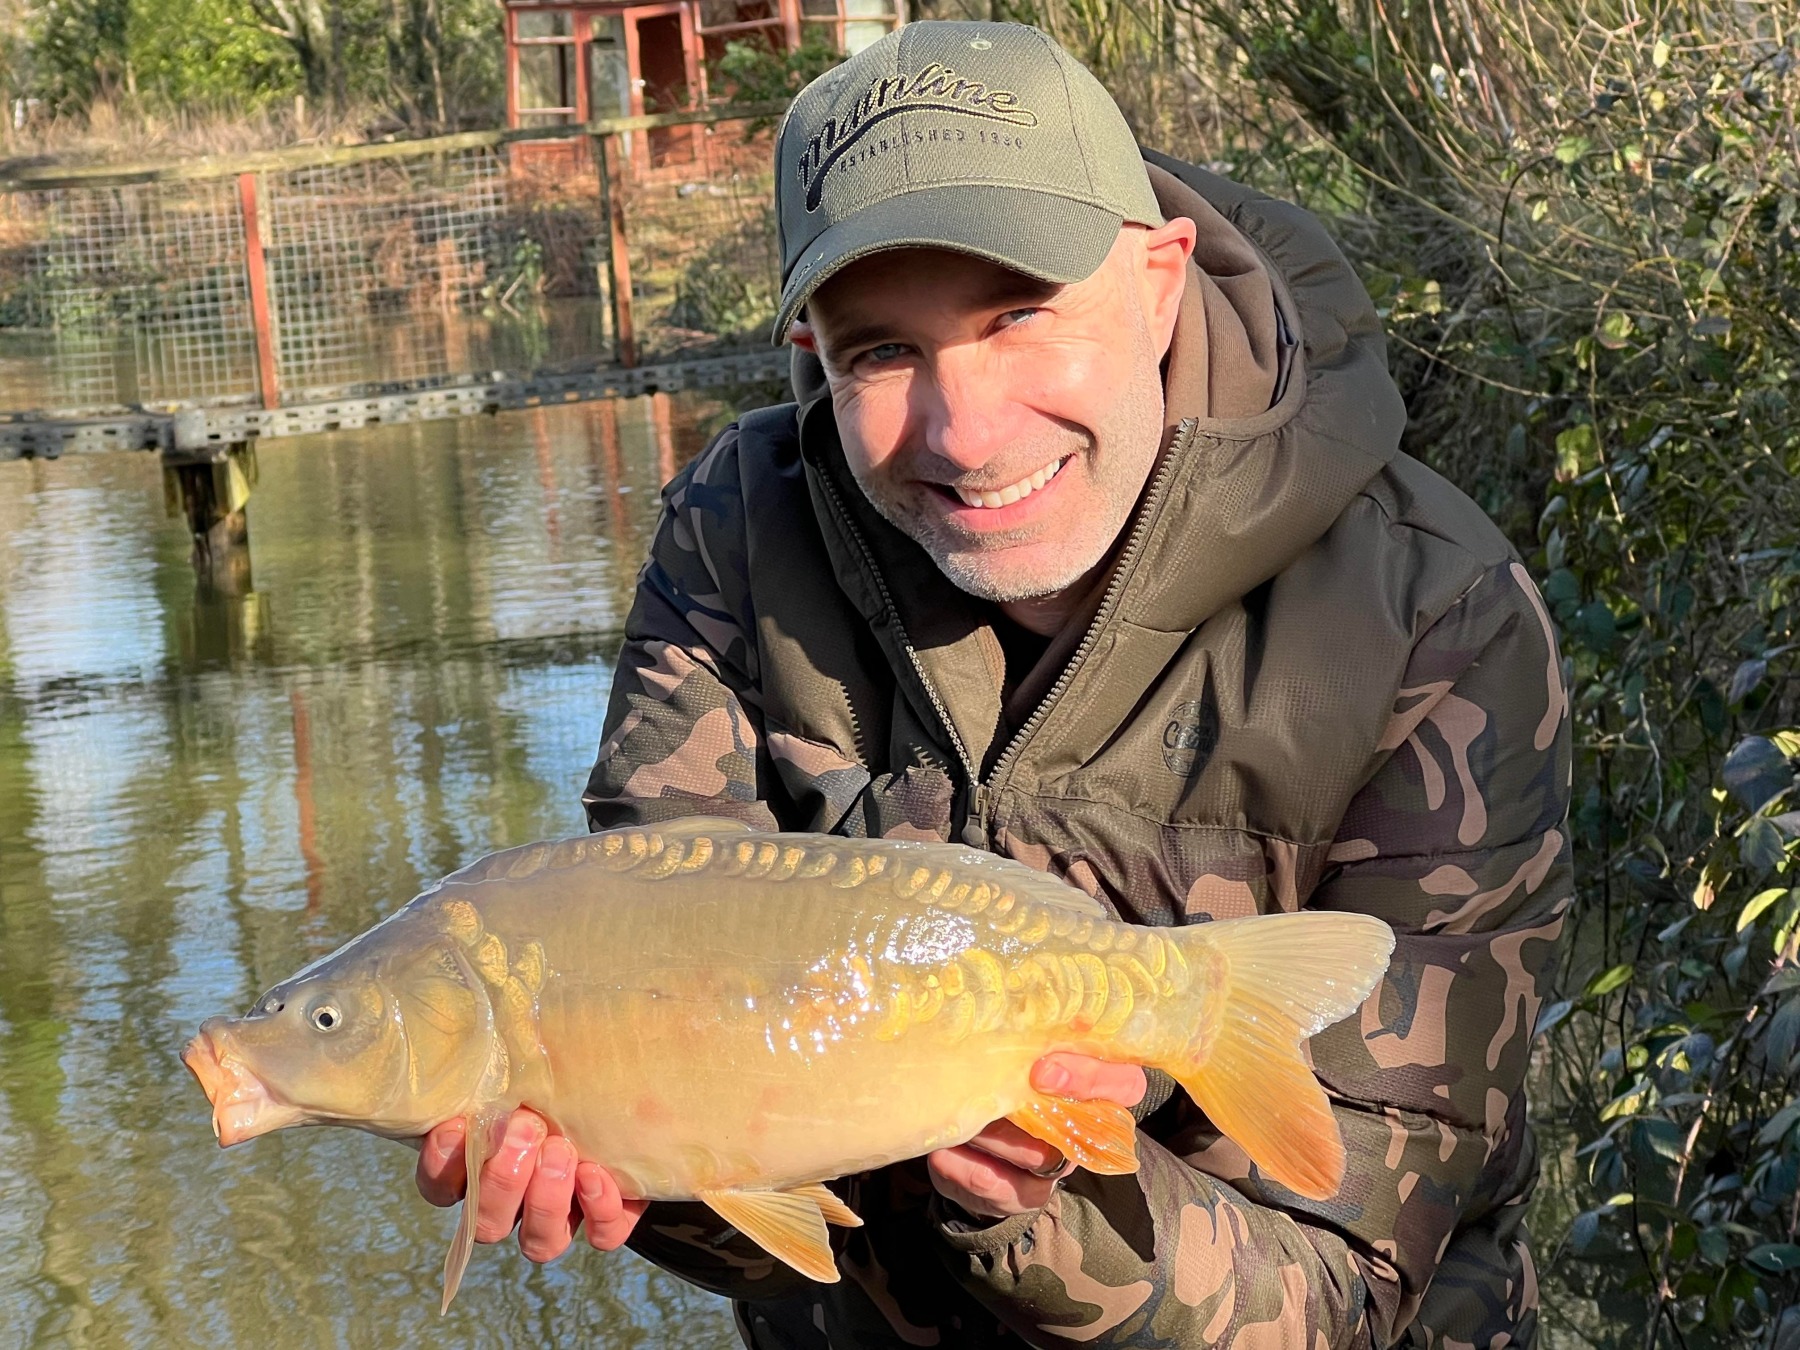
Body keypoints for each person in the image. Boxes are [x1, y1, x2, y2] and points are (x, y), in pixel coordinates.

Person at [416, 19, 1572, 1347]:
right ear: (813, 360)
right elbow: (727, 1150)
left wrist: (1042, 1217)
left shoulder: (1432, 619)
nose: (966, 431)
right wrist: (621, 1158)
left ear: (1156, 279)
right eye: (880, 353)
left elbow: (1349, 1287)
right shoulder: (734, 543)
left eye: (1021, 314)